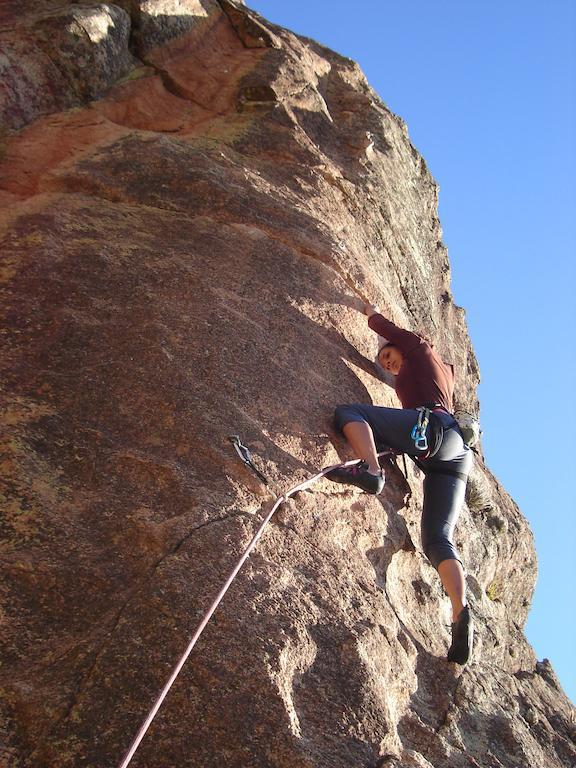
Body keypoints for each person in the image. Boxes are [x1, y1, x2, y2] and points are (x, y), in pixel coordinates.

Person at [326, 303, 474, 664]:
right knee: (437, 540)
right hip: (453, 457)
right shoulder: (442, 378)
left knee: (350, 412)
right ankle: (460, 611)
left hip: (433, 432)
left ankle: (371, 472)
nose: (389, 364)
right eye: (386, 363)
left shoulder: (419, 348)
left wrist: (369, 312)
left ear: (402, 347)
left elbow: (387, 327)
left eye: (389, 355)